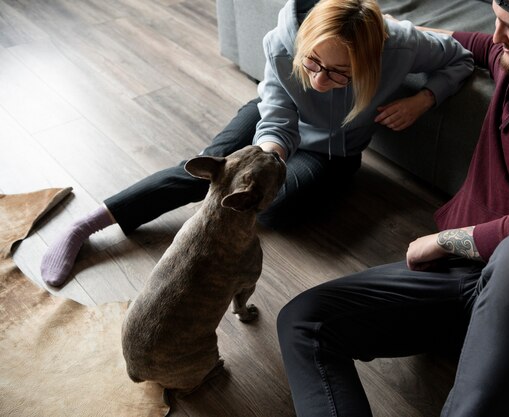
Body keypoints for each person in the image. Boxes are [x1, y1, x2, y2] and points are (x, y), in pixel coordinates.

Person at [276, 0, 509, 416]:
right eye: (496, 19)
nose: (497, 36)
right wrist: (391, 29)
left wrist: (445, 241)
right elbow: (480, 45)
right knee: (302, 321)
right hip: (459, 278)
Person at [40, 0, 473, 287]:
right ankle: (88, 225)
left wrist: (423, 98)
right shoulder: (283, 43)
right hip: (275, 118)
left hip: (331, 153)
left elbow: (461, 57)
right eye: (313, 63)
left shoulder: (400, 45)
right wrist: (268, 154)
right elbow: (279, 113)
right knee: (216, 170)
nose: (320, 80)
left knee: (278, 209)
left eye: (341, 73)